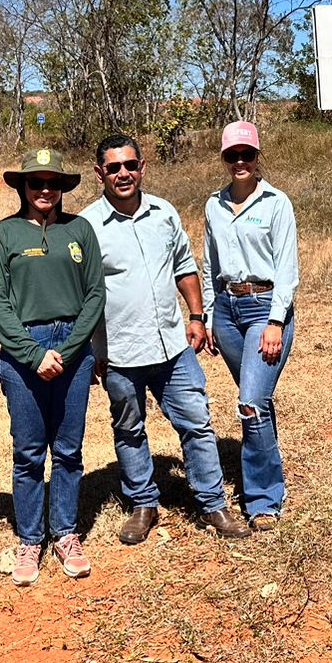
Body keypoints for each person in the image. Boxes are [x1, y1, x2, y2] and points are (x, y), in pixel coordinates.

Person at [85, 134, 252, 544]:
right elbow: (83, 294)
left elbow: (184, 267)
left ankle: (212, 503)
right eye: (113, 168)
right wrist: (94, 350)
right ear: (99, 174)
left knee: (196, 422)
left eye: (129, 165)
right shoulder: (86, 226)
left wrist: (196, 316)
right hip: (120, 350)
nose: (122, 174)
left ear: (142, 167)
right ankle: (143, 503)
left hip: (171, 346)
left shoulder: (164, 212)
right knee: (129, 428)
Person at [0, 149, 105, 584]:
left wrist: (69, 351)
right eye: (36, 183)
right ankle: (31, 538)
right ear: (23, 187)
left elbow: (95, 294)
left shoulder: (80, 230)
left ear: (63, 188)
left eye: (53, 183)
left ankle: (66, 532)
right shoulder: (5, 234)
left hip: (72, 345)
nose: (45, 190)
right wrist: (33, 354)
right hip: (24, 349)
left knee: (69, 450)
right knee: (29, 451)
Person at [200, 121, 299, 531]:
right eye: (232, 155)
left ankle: (262, 500)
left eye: (247, 154)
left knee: (250, 403)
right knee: (256, 400)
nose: (240, 162)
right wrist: (206, 315)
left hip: (264, 309)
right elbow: (209, 265)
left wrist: (276, 320)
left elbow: (287, 268)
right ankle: (269, 477)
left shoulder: (277, 203)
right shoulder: (213, 206)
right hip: (226, 311)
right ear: (224, 159)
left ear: (258, 157)